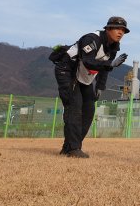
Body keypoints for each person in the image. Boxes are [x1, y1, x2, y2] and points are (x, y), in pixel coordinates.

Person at [55, 16, 129, 158]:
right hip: (67, 71)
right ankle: (73, 149)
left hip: (84, 77)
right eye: (117, 28)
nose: (121, 32)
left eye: (123, 30)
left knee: (89, 110)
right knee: (74, 108)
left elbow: (104, 68)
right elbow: (88, 62)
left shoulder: (113, 47)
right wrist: (110, 65)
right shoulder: (91, 39)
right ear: (107, 29)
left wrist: (100, 86)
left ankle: (69, 147)